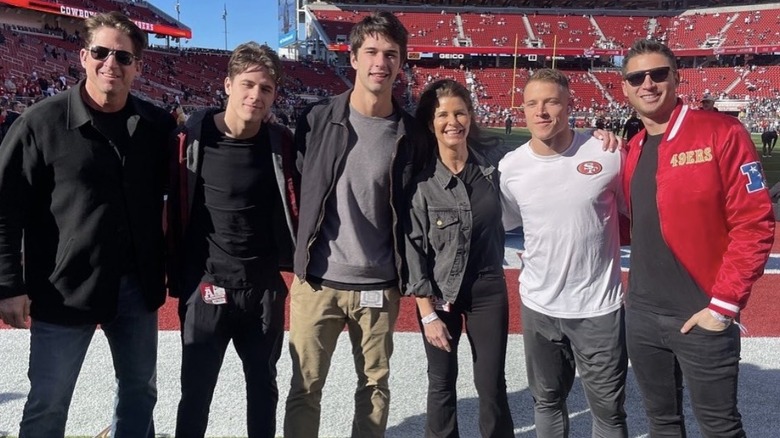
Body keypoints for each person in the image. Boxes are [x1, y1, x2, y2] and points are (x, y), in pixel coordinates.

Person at [0, 11, 175, 437]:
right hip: (63, 288)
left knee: (139, 394)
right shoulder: (38, 123)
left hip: (136, 287)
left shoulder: (156, 126)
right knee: (48, 402)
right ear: (83, 56)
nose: (110, 63)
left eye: (123, 56)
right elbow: (5, 209)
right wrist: (8, 285)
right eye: (100, 52)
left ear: (137, 65)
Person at [620, 39, 775, 437]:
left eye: (658, 74)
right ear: (625, 88)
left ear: (677, 78)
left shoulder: (721, 131)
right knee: (662, 425)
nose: (648, 84)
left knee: (720, 429)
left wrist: (722, 307)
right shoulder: (634, 147)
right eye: (637, 77)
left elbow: (755, 223)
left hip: (701, 313)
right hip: (642, 315)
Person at [283, 11, 421, 438]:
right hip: (318, 282)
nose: (381, 62)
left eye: (391, 54)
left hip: (379, 283)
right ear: (354, 59)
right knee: (305, 388)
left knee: (375, 387)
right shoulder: (316, 119)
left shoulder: (410, 132)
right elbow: (297, 180)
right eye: (372, 52)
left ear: (401, 63)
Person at [166, 42, 300, 438]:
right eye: (247, 85)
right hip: (206, 286)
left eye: (266, 88)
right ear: (227, 84)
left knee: (263, 389)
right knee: (195, 393)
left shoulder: (280, 143)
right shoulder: (192, 137)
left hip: (262, 289)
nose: (255, 96)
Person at [499, 68, 628, 437]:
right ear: (522, 109)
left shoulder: (607, 154)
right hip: (539, 305)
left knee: (608, 412)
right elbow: (510, 222)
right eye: (532, 104)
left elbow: (634, 213)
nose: (541, 112)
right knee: (547, 402)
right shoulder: (511, 168)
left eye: (551, 102)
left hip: (597, 308)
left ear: (569, 105)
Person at [404, 79, 514, 437]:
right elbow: (415, 252)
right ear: (430, 122)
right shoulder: (421, 184)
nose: (453, 121)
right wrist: (428, 314)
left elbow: (542, 159)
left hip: (488, 289)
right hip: (439, 295)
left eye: (460, 112)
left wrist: (597, 139)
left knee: (492, 384)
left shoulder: (494, 167)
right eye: (443, 114)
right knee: (441, 384)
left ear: (471, 116)